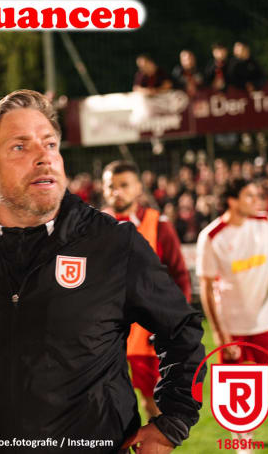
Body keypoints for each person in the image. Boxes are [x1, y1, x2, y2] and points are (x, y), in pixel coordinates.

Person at [0, 90, 205, 454]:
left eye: (50, 144)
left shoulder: (113, 243)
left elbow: (181, 331)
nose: (44, 157)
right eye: (20, 147)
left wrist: (172, 423)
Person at [101, 160, 192, 420]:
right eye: (111, 186)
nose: (117, 191)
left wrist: (176, 325)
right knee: (108, 408)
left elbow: (180, 275)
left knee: (155, 404)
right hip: (108, 335)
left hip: (148, 335)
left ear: (138, 188)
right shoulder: (96, 226)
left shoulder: (159, 225)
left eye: (124, 185)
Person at [196, 178, 268, 376]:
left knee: (266, 384)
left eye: (257, 195)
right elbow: (206, 288)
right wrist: (219, 332)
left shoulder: (266, 222)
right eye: (249, 196)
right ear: (232, 201)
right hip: (231, 326)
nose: (257, 200)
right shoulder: (211, 236)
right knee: (230, 389)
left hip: (264, 322)